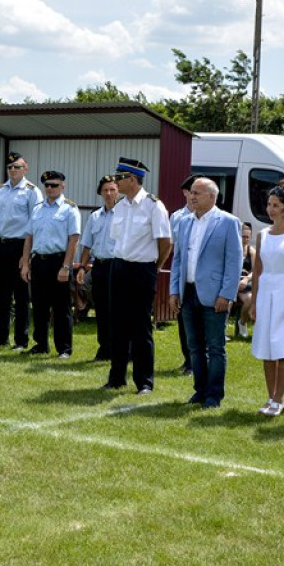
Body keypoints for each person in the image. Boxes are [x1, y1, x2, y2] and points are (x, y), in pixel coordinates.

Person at [169, 178, 243, 408]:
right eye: (191, 192)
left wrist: (227, 294)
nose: (192, 197)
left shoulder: (228, 222)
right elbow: (178, 258)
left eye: (198, 193)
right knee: (194, 346)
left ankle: (213, 395)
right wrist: (174, 290)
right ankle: (199, 391)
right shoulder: (184, 222)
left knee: (215, 347)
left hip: (214, 294)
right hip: (188, 291)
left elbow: (234, 261)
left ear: (212, 196)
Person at [104, 158, 172, 395]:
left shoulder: (154, 206)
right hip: (120, 266)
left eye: (120, 178)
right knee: (118, 324)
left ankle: (144, 381)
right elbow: (117, 239)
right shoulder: (121, 206)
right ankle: (116, 377)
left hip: (143, 269)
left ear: (132, 179)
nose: (116, 182)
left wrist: (155, 267)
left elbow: (166, 242)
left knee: (141, 327)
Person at [249, 181, 284, 417]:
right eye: (269, 204)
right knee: (266, 347)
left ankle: (279, 398)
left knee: (282, 348)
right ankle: (270, 397)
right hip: (265, 294)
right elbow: (258, 270)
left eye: (276, 205)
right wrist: (253, 302)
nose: (271, 209)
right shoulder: (262, 234)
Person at [20, 171, 81, 358]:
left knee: (61, 308)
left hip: (58, 261)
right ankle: (40, 344)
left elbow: (74, 239)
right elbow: (29, 238)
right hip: (39, 261)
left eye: (54, 185)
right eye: (46, 185)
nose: (49, 188)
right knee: (39, 305)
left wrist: (65, 266)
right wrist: (26, 263)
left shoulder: (70, 209)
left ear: (63, 187)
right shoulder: (37, 208)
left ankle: (64, 348)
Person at [0, 152, 43, 350]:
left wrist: (26, 257)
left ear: (25, 169)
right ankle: (1, 338)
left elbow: (35, 225)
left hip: (20, 247)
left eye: (17, 167)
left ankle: (21, 340)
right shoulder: (1, 190)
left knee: (21, 296)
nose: (12, 170)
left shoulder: (32, 191)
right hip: (2, 246)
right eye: (10, 167)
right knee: (1, 295)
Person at [77, 175, 119, 362]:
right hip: (100, 266)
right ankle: (104, 349)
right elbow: (86, 244)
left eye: (112, 189)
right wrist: (81, 268)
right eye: (105, 190)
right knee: (101, 309)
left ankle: (122, 349)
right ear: (100, 193)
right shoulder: (95, 216)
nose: (109, 194)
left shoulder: (125, 215)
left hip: (118, 266)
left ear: (118, 191)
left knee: (118, 310)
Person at [170, 175, 198, 374]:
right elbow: (174, 250)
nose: (194, 196)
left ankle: (199, 360)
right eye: (192, 191)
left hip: (201, 277)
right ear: (185, 193)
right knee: (184, 320)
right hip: (183, 275)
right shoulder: (177, 217)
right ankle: (188, 359)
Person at [234, 222, 255, 338]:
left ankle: (242, 323)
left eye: (248, 237)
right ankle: (222, 328)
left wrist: (246, 279)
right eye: (243, 236)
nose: (245, 239)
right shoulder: (233, 249)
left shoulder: (252, 252)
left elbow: (255, 270)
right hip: (232, 284)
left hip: (244, 285)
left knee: (250, 299)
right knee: (227, 300)